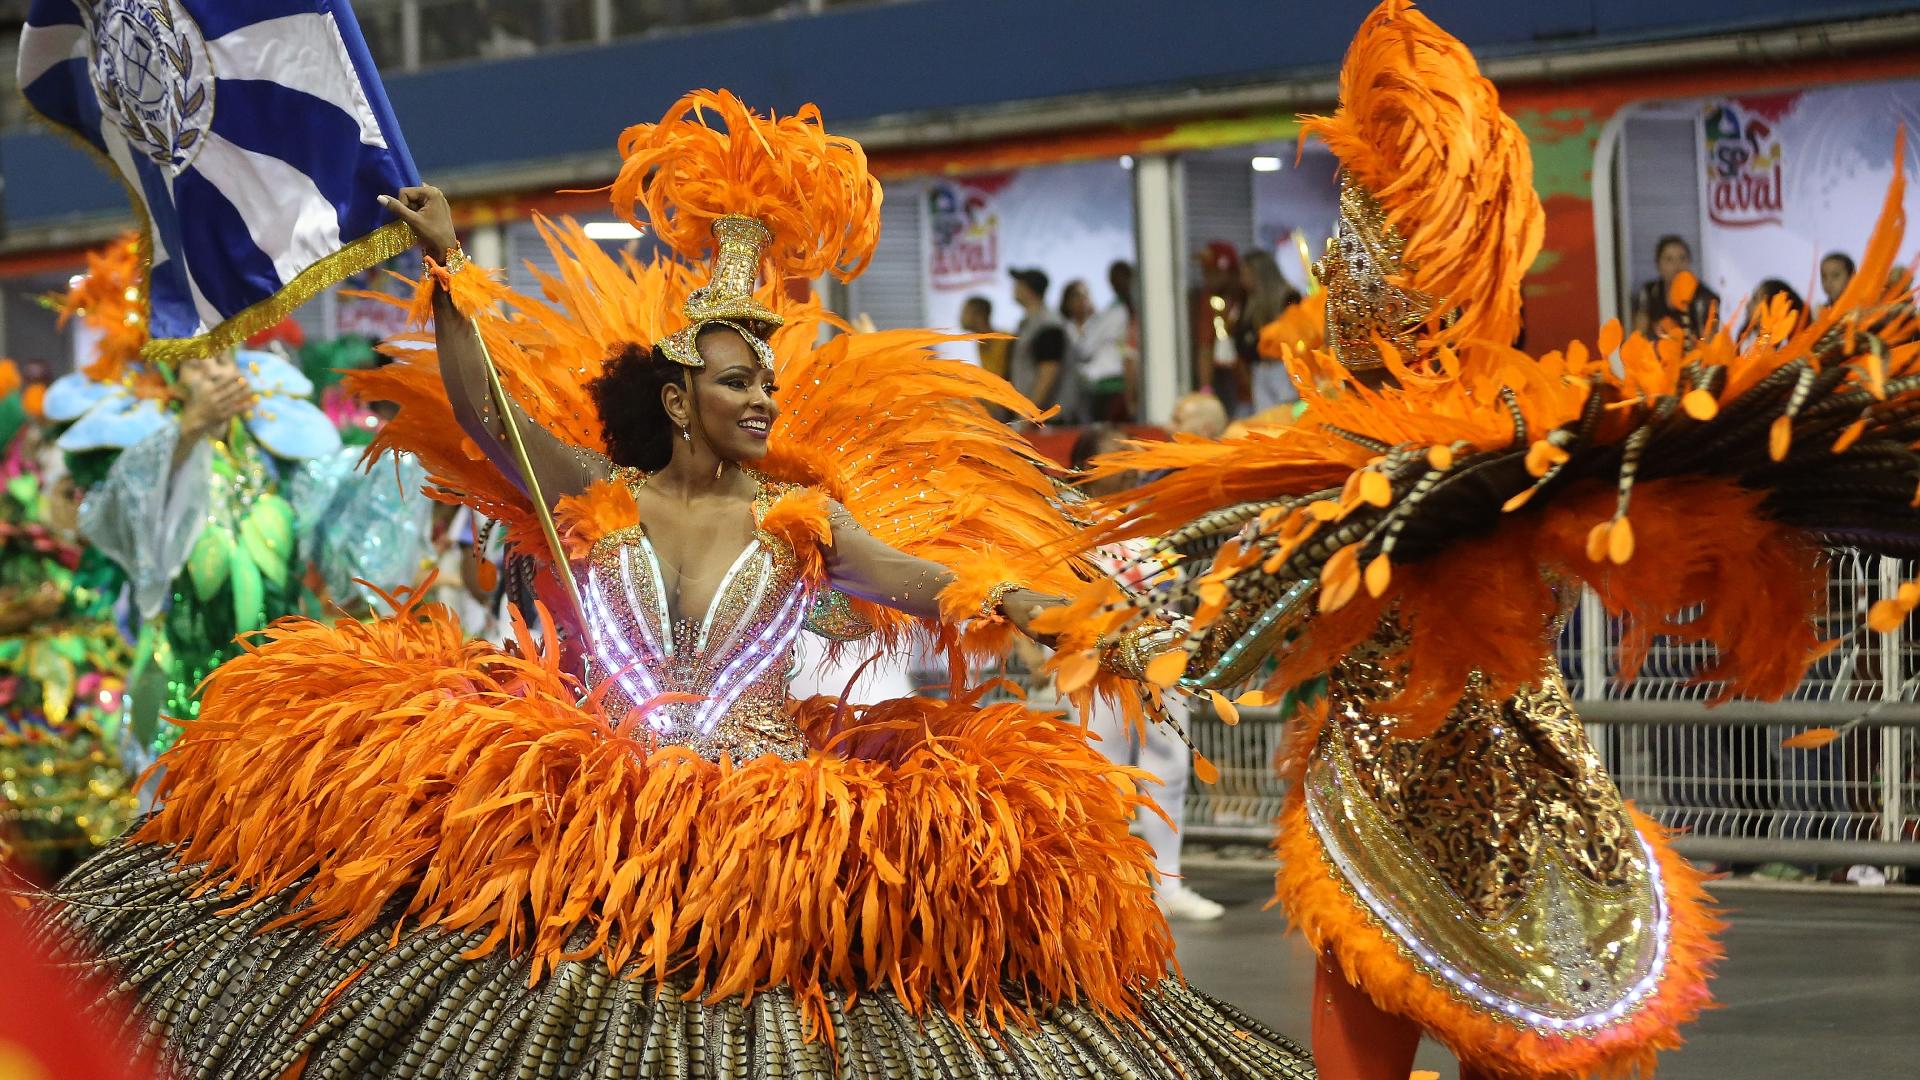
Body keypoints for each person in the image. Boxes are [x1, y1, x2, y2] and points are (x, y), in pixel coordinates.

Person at [35, 91, 1313, 1079]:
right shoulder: (599, 498)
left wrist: (1045, 606)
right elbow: (483, 418)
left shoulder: (805, 521)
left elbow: (930, 580)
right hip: (590, 821)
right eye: (735, 380)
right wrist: (448, 273)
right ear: (674, 394)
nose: (762, 398)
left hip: (762, 832)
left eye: (770, 382)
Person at [1028, 2, 1920, 1075]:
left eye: (1366, 261)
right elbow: (1208, 574)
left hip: (1521, 795)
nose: (1344, 286)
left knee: (1521, 1040)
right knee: (1362, 1005)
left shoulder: (1524, 431)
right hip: (1375, 793)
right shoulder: (1322, 446)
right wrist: (1041, 598)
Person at [1069, 423, 1225, 922]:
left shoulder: (1155, 516)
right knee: (1106, 767)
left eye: (1132, 455)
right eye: (1117, 455)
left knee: (1170, 761)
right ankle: (1108, 882)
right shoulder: (1068, 524)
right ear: (1089, 467)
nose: (1131, 463)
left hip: (1161, 653)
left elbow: (1182, 578)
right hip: (1098, 660)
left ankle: (1169, 883)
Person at [1075, 262, 1137, 422]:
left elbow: (1086, 348)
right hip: (1118, 383)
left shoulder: (1116, 312)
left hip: (1109, 384)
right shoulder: (1125, 310)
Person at [1007, 266, 1071, 419]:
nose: (1014, 288)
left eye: (1018, 284)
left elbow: (1048, 371)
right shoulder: (1029, 323)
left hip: (1049, 419)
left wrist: (1030, 416)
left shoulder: (1048, 324)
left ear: (1028, 290)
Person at [1192, 241, 1247, 414]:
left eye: (1211, 272)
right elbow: (1205, 347)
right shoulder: (1209, 299)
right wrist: (1205, 391)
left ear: (1226, 271)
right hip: (1227, 380)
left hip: (1255, 380)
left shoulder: (1249, 295)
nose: (1206, 277)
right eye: (1204, 272)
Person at [1630, 235, 1721, 340]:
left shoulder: (1705, 297)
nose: (1677, 266)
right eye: (1669, 260)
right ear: (1658, 265)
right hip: (1657, 353)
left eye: (1682, 259)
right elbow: (1639, 335)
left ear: (1689, 262)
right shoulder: (1649, 292)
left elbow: (1709, 343)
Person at [958, 293, 1011, 379]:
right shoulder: (981, 342)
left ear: (978, 315)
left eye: (965, 312)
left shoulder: (1006, 341)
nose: (961, 317)